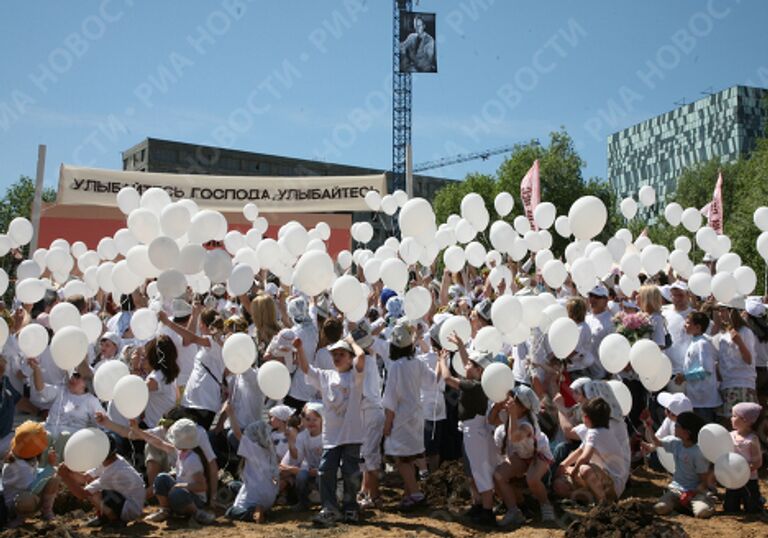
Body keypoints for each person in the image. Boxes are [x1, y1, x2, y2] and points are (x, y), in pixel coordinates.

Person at [295, 335, 366, 527]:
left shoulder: (355, 376)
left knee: (351, 471)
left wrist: (352, 342)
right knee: (326, 470)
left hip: (351, 433)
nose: (337, 357)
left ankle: (350, 508)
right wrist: (300, 348)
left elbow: (362, 359)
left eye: (341, 354)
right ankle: (329, 508)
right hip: (331, 435)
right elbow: (306, 369)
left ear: (349, 357)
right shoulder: (326, 375)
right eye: (334, 354)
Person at [437, 337, 498, 527]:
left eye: (472, 365)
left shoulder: (475, 385)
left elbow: (447, 379)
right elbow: (466, 363)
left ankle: (487, 511)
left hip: (475, 431)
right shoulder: (476, 381)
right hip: (470, 430)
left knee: (480, 471)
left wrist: (442, 362)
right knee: (472, 472)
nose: (467, 366)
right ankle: (478, 504)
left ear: (480, 370)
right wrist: (461, 346)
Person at [382, 320, 439, 509]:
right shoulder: (418, 363)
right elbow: (432, 382)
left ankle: (415, 493)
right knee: (411, 455)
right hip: (416, 414)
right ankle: (409, 495)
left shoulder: (396, 367)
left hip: (401, 416)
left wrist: (388, 423)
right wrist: (441, 361)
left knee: (402, 458)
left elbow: (391, 397)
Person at [492, 386, 554, 527]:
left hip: (538, 454)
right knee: (498, 476)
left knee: (532, 478)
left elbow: (514, 437)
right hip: (521, 454)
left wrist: (512, 414)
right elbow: (492, 420)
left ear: (524, 407)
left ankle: (545, 505)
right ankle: (515, 510)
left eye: (513, 401)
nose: (509, 402)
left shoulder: (527, 424)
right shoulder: (509, 415)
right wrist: (497, 408)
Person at [57, 433, 145, 527]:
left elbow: (82, 494)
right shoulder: (113, 459)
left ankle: (114, 520)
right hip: (127, 502)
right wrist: (69, 471)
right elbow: (85, 478)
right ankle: (105, 516)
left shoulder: (113, 471)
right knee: (92, 485)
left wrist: (65, 477)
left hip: (129, 509)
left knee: (94, 493)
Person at [138, 418, 216, 524]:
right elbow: (159, 443)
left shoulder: (193, 460)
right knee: (161, 478)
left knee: (177, 493)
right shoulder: (180, 451)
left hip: (195, 499)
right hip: (182, 493)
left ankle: (197, 513)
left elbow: (202, 486)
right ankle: (165, 510)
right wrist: (137, 431)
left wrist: (182, 486)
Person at [160, 308, 225, 429]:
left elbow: (190, 338)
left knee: (191, 438)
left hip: (203, 403)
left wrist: (168, 323)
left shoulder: (214, 342)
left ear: (203, 325)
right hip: (194, 401)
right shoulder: (213, 343)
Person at [555, 398, 629, 504]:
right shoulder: (598, 431)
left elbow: (584, 457)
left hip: (613, 483)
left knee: (584, 469)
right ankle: (586, 497)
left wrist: (573, 473)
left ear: (586, 418)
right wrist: (563, 465)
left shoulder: (595, 433)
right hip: (602, 478)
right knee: (560, 484)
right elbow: (580, 451)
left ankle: (603, 503)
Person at [643, 411, 714, 519]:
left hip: (696, 492)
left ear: (687, 432)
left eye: (677, 425)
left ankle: (704, 501)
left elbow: (704, 482)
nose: (674, 427)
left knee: (702, 512)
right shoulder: (675, 443)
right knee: (660, 508)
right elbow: (657, 442)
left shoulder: (698, 452)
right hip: (676, 489)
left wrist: (691, 494)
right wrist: (648, 426)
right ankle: (682, 504)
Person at [2, 421, 59, 526]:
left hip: (27, 496)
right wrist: (50, 467)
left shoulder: (23, 458)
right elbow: (33, 488)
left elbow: (35, 474)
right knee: (26, 499)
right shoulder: (20, 467)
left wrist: (50, 470)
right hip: (13, 506)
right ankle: (18, 519)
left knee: (53, 479)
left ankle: (46, 512)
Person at [225, 415, 279, 524]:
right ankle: (264, 510)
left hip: (257, 495)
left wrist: (230, 413)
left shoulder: (253, 449)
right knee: (234, 485)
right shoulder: (271, 449)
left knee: (230, 512)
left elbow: (236, 434)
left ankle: (252, 513)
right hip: (270, 496)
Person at [713, 301, 758, 419]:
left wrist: (739, 342)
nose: (719, 314)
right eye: (718, 310)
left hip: (741, 383)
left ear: (732, 311)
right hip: (726, 385)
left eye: (722, 310)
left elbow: (748, 359)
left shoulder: (745, 331)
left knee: (739, 424)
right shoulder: (723, 334)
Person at [678, 311, 721, 423]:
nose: (685, 325)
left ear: (697, 327)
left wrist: (685, 377)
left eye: (688, 323)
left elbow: (706, 370)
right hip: (696, 397)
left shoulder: (703, 344)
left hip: (704, 399)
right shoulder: (695, 342)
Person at [281, 403, 324, 511]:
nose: (311, 423)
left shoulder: (326, 436)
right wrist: (291, 442)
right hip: (310, 469)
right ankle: (303, 502)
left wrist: (319, 470)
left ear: (322, 420)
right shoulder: (302, 436)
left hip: (326, 469)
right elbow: (297, 458)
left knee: (322, 476)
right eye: (308, 419)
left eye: (315, 419)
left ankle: (327, 503)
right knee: (301, 475)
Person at [725, 402, 764, 513]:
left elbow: (758, 463)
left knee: (753, 509)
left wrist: (744, 470)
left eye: (734, 416)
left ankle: (758, 500)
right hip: (733, 480)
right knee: (730, 508)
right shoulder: (730, 435)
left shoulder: (752, 440)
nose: (731, 418)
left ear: (745, 420)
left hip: (749, 480)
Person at [143, 335, 180, 428]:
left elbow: (136, 391)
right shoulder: (166, 373)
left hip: (154, 427)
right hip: (164, 425)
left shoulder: (155, 378)